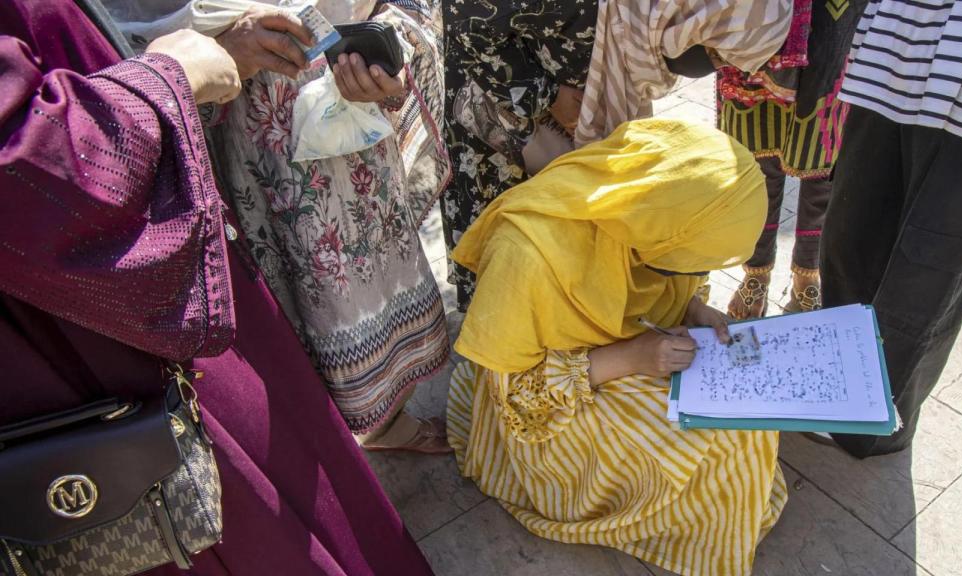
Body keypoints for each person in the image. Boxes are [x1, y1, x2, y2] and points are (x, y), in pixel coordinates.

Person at [0, 1, 434, 574]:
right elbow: (25, 164)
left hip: (138, 241)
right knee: (217, 508)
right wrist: (166, 79)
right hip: (97, 314)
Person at [104, 0, 454, 452]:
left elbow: (406, 9)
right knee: (275, 319)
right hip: (233, 140)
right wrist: (212, 51)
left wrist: (387, 51)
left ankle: (385, 424)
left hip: (350, 128)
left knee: (367, 288)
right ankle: (311, 456)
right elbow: (110, 33)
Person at [446, 119, 788, 575]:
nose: (695, 273)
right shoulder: (527, 254)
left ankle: (721, 513)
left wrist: (692, 308)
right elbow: (518, 401)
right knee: (724, 441)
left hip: (620, 359)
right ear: (662, 226)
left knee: (750, 419)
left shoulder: (649, 211)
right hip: (552, 413)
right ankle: (700, 531)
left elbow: (662, 278)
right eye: (695, 262)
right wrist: (632, 358)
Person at [441, 0, 794, 310]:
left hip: (555, 124)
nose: (713, 64)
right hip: (495, 115)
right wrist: (546, 95)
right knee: (513, 261)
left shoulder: (641, 17)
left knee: (567, 238)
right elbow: (464, 18)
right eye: (717, 52)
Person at [821, 0, 962, 458]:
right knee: (848, 241)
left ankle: (876, 427)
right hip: (896, 49)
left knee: (927, 269)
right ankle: (832, 398)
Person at [716, 0, 867, 318]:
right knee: (754, 165)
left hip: (839, 24)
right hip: (758, 27)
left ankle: (807, 276)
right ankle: (756, 272)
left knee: (823, 166)